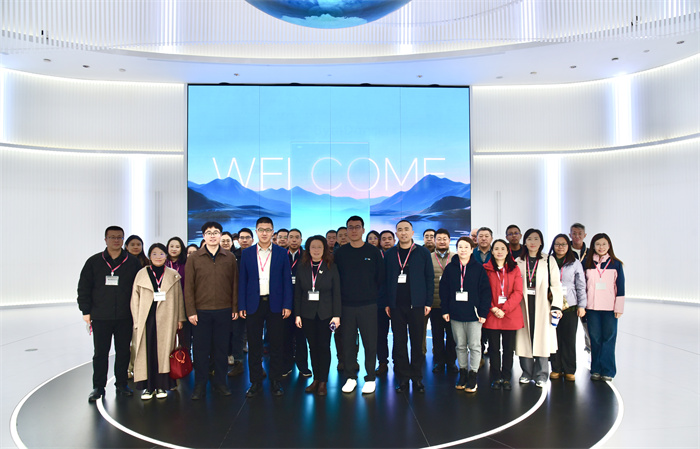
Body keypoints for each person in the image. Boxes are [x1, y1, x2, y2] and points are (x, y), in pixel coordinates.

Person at [77, 226, 142, 402]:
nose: (116, 240)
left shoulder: (132, 262)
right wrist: (85, 310)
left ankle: (121, 384)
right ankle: (98, 387)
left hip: (125, 315)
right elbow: (84, 287)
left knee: (123, 352)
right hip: (100, 315)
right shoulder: (94, 262)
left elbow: (139, 289)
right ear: (105, 239)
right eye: (112, 237)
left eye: (119, 237)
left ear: (123, 240)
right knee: (100, 353)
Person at [239, 217, 293, 398]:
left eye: (268, 230)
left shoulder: (281, 253)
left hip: (275, 303)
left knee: (276, 343)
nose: (264, 233)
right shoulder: (247, 253)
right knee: (254, 345)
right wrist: (242, 304)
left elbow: (287, 280)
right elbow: (242, 280)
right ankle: (255, 382)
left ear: (273, 232)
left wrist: (287, 304)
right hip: (253, 303)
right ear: (256, 231)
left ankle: (276, 381)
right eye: (261, 229)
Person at [184, 221, 239, 400]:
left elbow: (235, 284)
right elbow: (188, 287)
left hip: (224, 310)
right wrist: (191, 311)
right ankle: (200, 385)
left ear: (221, 235)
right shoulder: (194, 258)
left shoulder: (229, 257)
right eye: (209, 232)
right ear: (204, 236)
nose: (213, 235)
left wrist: (234, 307)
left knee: (221, 350)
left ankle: (220, 383)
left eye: (216, 232)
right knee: (201, 350)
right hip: (201, 312)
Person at [334, 216, 384, 394]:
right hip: (346, 306)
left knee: (370, 343)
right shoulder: (340, 253)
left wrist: (371, 295)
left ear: (363, 230)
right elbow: (336, 280)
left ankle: (370, 377)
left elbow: (380, 277)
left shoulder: (373, 252)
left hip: (368, 305)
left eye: (357, 227)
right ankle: (350, 377)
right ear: (346, 230)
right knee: (348, 343)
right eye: (350, 227)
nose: (354, 230)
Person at [384, 219, 434, 394]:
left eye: (406, 229)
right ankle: (403, 378)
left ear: (412, 233)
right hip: (396, 305)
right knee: (399, 343)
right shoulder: (390, 254)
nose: (403, 232)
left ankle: (417, 377)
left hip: (417, 305)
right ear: (396, 233)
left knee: (417, 342)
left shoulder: (422, 252)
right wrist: (387, 302)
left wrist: (428, 302)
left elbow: (429, 278)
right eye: (400, 230)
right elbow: (385, 280)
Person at [131, 243, 186, 400]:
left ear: (166, 256)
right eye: (154, 254)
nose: (158, 257)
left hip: (167, 318)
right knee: (147, 351)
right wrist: (136, 319)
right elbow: (135, 298)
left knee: (164, 352)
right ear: (149, 256)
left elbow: (179, 298)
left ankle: (162, 386)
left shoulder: (173, 274)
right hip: (146, 318)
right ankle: (148, 388)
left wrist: (180, 318)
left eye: (161, 253)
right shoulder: (141, 274)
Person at [439, 237, 491, 393]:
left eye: (466, 247)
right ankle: (462, 373)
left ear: (471, 249)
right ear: (456, 249)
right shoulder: (450, 268)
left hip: (474, 315)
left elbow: (485, 292)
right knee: (460, 345)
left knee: (474, 346)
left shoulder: (478, 268)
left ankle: (473, 374)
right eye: (460, 247)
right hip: (455, 314)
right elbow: (444, 290)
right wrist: (445, 310)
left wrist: (483, 312)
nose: (463, 250)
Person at [515, 229, 563, 388]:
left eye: (536, 239)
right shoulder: (518, 261)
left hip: (543, 304)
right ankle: (526, 372)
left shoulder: (549, 260)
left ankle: (542, 374)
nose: (533, 242)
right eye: (529, 239)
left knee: (542, 339)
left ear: (541, 242)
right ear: (525, 242)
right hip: (523, 304)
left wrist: (556, 305)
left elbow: (556, 285)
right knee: (524, 339)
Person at [294, 235, 341, 396]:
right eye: (313, 247)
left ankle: (323, 381)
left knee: (324, 346)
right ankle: (315, 378)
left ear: (324, 249)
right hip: (307, 314)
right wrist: (297, 314)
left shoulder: (331, 267)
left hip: (326, 314)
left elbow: (337, 292)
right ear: (308, 249)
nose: (316, 250)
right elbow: (298, 293)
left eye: (319, 247)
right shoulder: (302, 267)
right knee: (312, 347)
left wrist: (337, 315)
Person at [482, 239, 524, 390]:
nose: (499, 251)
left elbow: (518, 292)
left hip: (510, 314)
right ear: (492, 252)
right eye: (496, 248)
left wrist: (504, 309)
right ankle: (495, 377)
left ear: (508, 251)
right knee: (494, 349)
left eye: (502, 248)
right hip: (492, 314)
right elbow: (482, 291)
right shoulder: (485, 269)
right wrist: (493, 308)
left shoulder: (515, 269)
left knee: (508, 349)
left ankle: (506, 377)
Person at [584, 233, 625, 382]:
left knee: (609, 338)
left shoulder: (616, 264)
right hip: (592, 307)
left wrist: (619, 308)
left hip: (610, 308)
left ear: (609, 246)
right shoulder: (587, 263)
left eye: (604, 244)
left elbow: (620, 287)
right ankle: (596, 369)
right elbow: (582, 286)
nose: (601, 247)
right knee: (595, 338)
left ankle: (608, 370)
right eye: (598, 244)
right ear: (593, 246)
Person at [548, 234, 587, 382]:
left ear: (568, 246)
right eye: (557, 244)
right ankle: (556, 368)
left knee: (569, 339)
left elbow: (581, 285)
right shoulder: (548, 261)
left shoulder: (575, 263)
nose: (560, 247)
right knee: (554, 338)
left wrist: (582, 305)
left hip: (570, 306)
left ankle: (569, 369)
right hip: (552, 305)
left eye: (563, 244)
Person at [284, 228, 311, 377]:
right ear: (287, 239)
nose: (294, 240)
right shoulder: (281, 255)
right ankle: (286, 365)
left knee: (301, 336)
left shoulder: (306, 256)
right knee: (285, 336)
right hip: (285, 301)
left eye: (297, 237)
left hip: (302, 301)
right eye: (291, 237)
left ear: (301, 240)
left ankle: (303, 366)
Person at [430, 229, 457, 373]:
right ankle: (439, 362)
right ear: (434, 241)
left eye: (444, 239)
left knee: (452, 335)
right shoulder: (428, 257)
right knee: (437, 335)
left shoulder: (456, 257)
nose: (441, 241)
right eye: (439, 239)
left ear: (449, 240)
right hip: (435, 303)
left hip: (452, 304)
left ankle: (451, 362)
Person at [376, 229, 396, 375]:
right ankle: (382, 362)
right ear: (380, 241)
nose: (387, 241)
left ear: (394, 241)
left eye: (390, 238)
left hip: (396, 301)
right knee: (380, 335)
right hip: (379, 302)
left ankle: (398, 361)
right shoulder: (376, 256)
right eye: (384, 239)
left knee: (399, 334)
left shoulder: (399, 255)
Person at [570, 223, 592, 354]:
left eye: (580, 233)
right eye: (574, 233)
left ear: (585, 235)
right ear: (570, 235)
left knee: (589, 327)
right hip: (569, 295)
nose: (577, 236)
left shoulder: (591, 253)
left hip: (587, 294)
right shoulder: (565, 251)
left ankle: (590, 351)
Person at [166, 237, 190, 356]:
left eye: (177, 246)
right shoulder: (163, 263)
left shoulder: (186, 264)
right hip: (166, 303)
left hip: (183, 302)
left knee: (184, 335)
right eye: (171, 246)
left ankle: (184, 360)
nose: (174, 249)